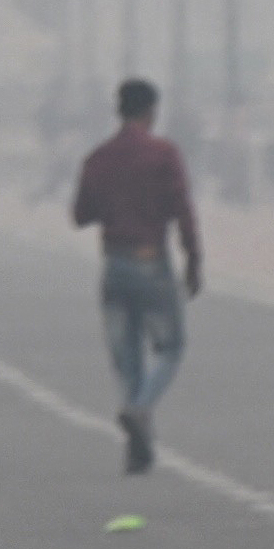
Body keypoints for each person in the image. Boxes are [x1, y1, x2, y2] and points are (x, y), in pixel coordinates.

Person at [69, 79, 201, 472]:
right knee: (171, 347)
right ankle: (140, 409)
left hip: (115, 263)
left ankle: (137, 447)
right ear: (151, 111)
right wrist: (194, 260)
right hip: (152, 261)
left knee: (127, 359)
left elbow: (81, 215)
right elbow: (182, 211)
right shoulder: (163, 154)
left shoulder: (99, 158)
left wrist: (112, 206)